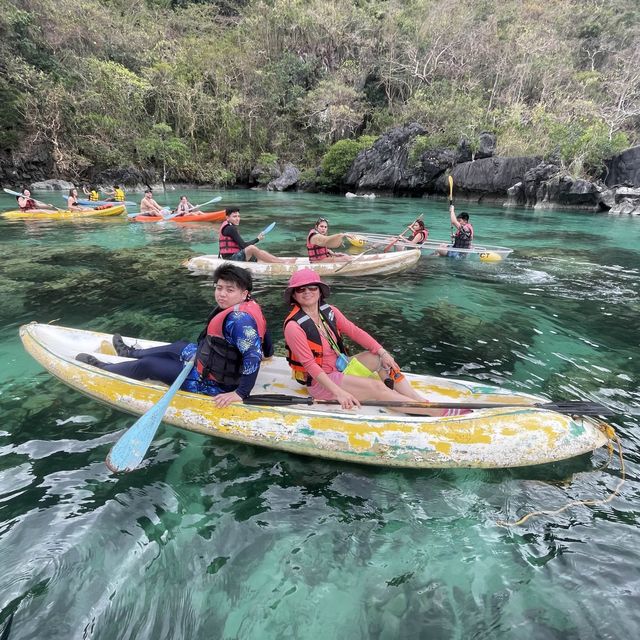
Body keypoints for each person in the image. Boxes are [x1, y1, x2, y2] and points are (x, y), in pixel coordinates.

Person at [75, 264, 273, 408]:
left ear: (244, 293)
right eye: (219, 288)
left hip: (212, 383)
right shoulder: (252, 305)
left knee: (149, 366)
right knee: (179, 346)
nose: (222, 294)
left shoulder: (239, 319)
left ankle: (101, 368)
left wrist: (240, 393)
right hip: (208, 361)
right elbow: (266, 336)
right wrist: (269, 352)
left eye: (230, 290)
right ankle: (130, 353)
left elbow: (252, 357)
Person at [282, 268, 468, 416]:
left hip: (340, 367)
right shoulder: (294, 326)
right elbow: (310, 365)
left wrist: (382, 351)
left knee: (382, 361)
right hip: (322, 382)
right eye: (301, 289)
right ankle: (435, 411)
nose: (307, 292)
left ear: (319, 290)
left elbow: (355, 332)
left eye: (312, 287)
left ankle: (417, 400)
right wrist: (339, 392)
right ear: (294, 295)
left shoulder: (329, 311)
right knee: (377, 387)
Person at [218, 207, 294, 263]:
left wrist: (257, 239)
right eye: (234, 216)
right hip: (230, 259)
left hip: (234, 255)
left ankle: (282, 261)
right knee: (252, 248)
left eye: (238, 216)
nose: (238, 219)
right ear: (227, 218)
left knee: (260, 253)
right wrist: (257, 239)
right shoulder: (230, 228)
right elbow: (244, 246)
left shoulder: (230, 227)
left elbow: (241, 245)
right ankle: (283, 262)